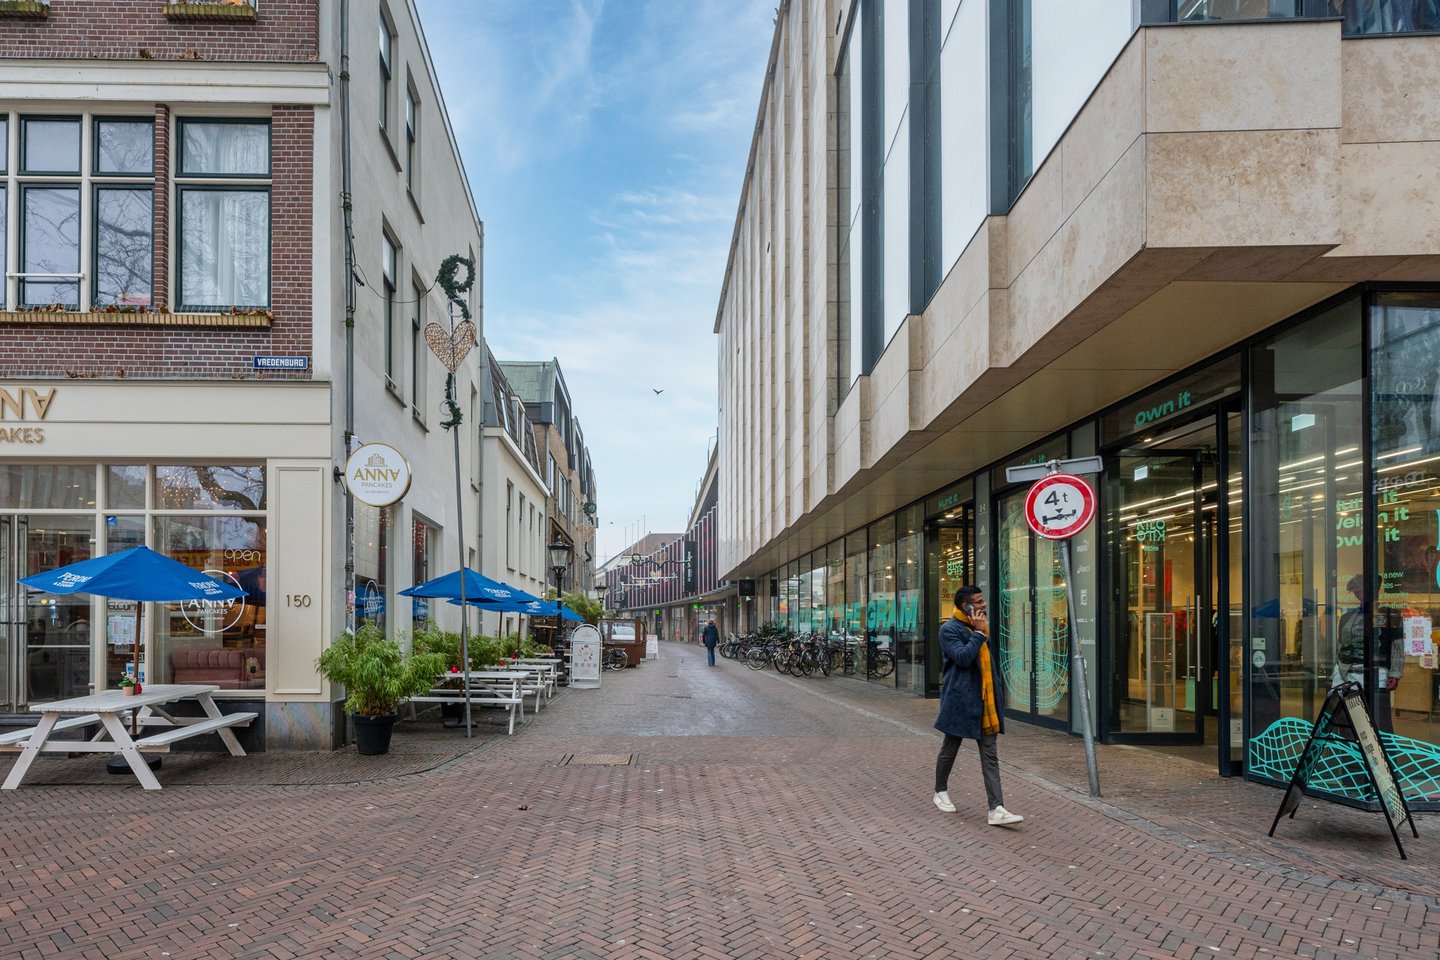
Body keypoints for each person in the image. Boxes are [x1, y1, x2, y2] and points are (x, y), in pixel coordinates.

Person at [933, 585, 1023, 826]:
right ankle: (940, 791)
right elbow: (962, 658)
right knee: (950, 747)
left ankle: (996, 808)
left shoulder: (980, 627)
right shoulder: (948, 630)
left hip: (985, 702)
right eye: (979, 601)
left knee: (990, 755)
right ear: (966, 606)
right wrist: (979, 634)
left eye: (983, 600)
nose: (984, 605)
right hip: (960, 700)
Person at [1336, 573, 1404, 727]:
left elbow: (1397, 646)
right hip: (1348, 674)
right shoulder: (1347, 617)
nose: (1358, 593)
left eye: (1360, 589)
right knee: (1348, 721)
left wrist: (1395, 673)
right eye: (1356, 590)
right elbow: (1341, 646)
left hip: (1377, 674)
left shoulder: (1389, 613)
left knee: (1379, 721)